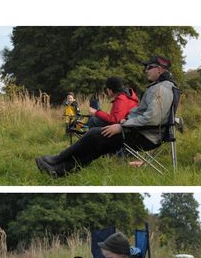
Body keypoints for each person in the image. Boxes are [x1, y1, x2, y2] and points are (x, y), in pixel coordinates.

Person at [36, 56, 176, 177]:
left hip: (144, 136)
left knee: (93, 134)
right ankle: (57, 170)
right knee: (99, 144)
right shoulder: (161, 87)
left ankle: (57, 161)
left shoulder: (161, 89)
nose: (146, 70)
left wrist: (121, 126)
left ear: (159, 69)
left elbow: (153, 118)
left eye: (149, 67)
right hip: (140, 132)